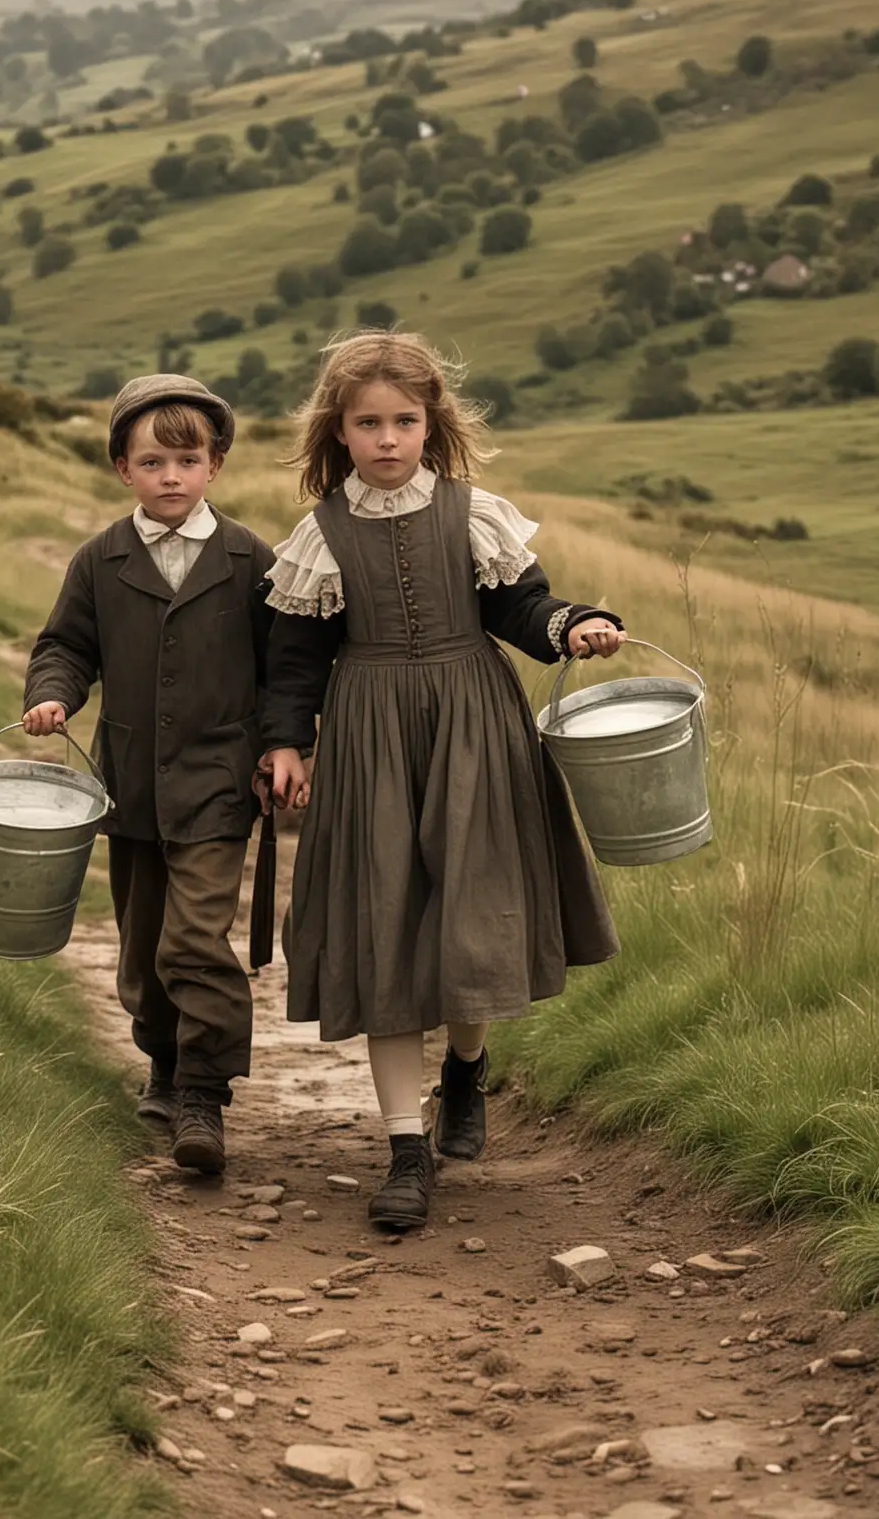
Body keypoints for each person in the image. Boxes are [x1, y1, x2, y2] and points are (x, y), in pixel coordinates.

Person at [260, 331, 624, 1229]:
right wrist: (286, 743)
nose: (387, 439)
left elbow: (521, 607)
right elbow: (295, 660)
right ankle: (403, 1151)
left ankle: (465, 1068)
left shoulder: (474, 514)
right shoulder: (321, 534)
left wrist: (572, 624)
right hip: (371, 737)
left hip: (475, 729)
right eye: (368, 423)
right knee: (384, 930)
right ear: (338, 432)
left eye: (405, 421)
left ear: (432, 425)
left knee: (474, 921)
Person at [23, 375, 274, 1176]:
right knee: (143, 946)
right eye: (154, 461)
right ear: (121, 469)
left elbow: (284, 666)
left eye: (188, 460)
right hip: (129, 785)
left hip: (217, 782)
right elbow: (64, 646)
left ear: (217, 465)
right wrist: (53, 697)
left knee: (196, 938)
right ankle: (162, 1060)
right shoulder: (101, 559)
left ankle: (204, 1092)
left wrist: (281, 746)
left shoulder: (248, 559)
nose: (172, 476)